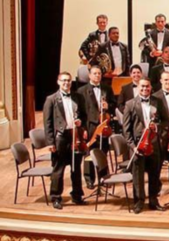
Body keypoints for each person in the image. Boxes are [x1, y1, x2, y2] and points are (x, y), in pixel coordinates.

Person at [122, 79, 169, 214]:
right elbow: (126, 129)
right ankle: (138, 202)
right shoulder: (130, 104)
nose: (145, 89)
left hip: (154, 144)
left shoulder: (157, 101)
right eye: (142, 86)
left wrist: (157, 127)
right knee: (138, 176)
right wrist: (133, 146)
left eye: (147, 86)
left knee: (155, 174)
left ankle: (153, 201)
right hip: (138, 145)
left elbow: (166, 121)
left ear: (151, 87)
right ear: (138, 87)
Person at [43, 72, 87, 209]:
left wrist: (81, 124)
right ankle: (56, 197)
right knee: (59, 169)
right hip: (60, 137)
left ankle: (77, 195)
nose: (66, 83)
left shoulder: (78, 97)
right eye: (63, 81)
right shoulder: (51, 99)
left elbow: (84, 116)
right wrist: (50, 142)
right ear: (58, 82)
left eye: (68, 80)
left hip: (75, 135)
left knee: (76, 168)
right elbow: (47, 123)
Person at [77, 65, 116, 189]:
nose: (97, 75)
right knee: (89, 152)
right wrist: (82, 129)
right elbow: (79, 112)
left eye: (99, 73)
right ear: (89, 75)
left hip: (103, 124)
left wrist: (107, 106)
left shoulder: (107, 89)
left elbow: (114, 105)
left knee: (103, 151)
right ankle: (89, 178)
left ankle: (103, 177)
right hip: (90, 125)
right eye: (95, 73)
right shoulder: (81, 91)